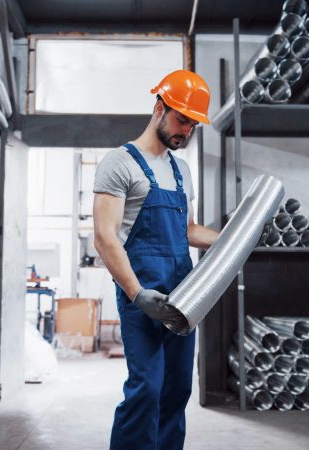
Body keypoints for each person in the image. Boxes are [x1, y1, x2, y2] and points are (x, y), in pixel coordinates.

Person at [93, 69, 219, 450]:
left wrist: (233, 241)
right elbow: (104, 237)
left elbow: (188, 231)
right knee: (147, 388)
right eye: (182, 120)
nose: (186, 131)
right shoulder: (119, 163)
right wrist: (136, 293)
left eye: (193, 125)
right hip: (142, 295)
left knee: (177, 389)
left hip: (184, 296)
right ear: (159, 108)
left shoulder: (182, 170)